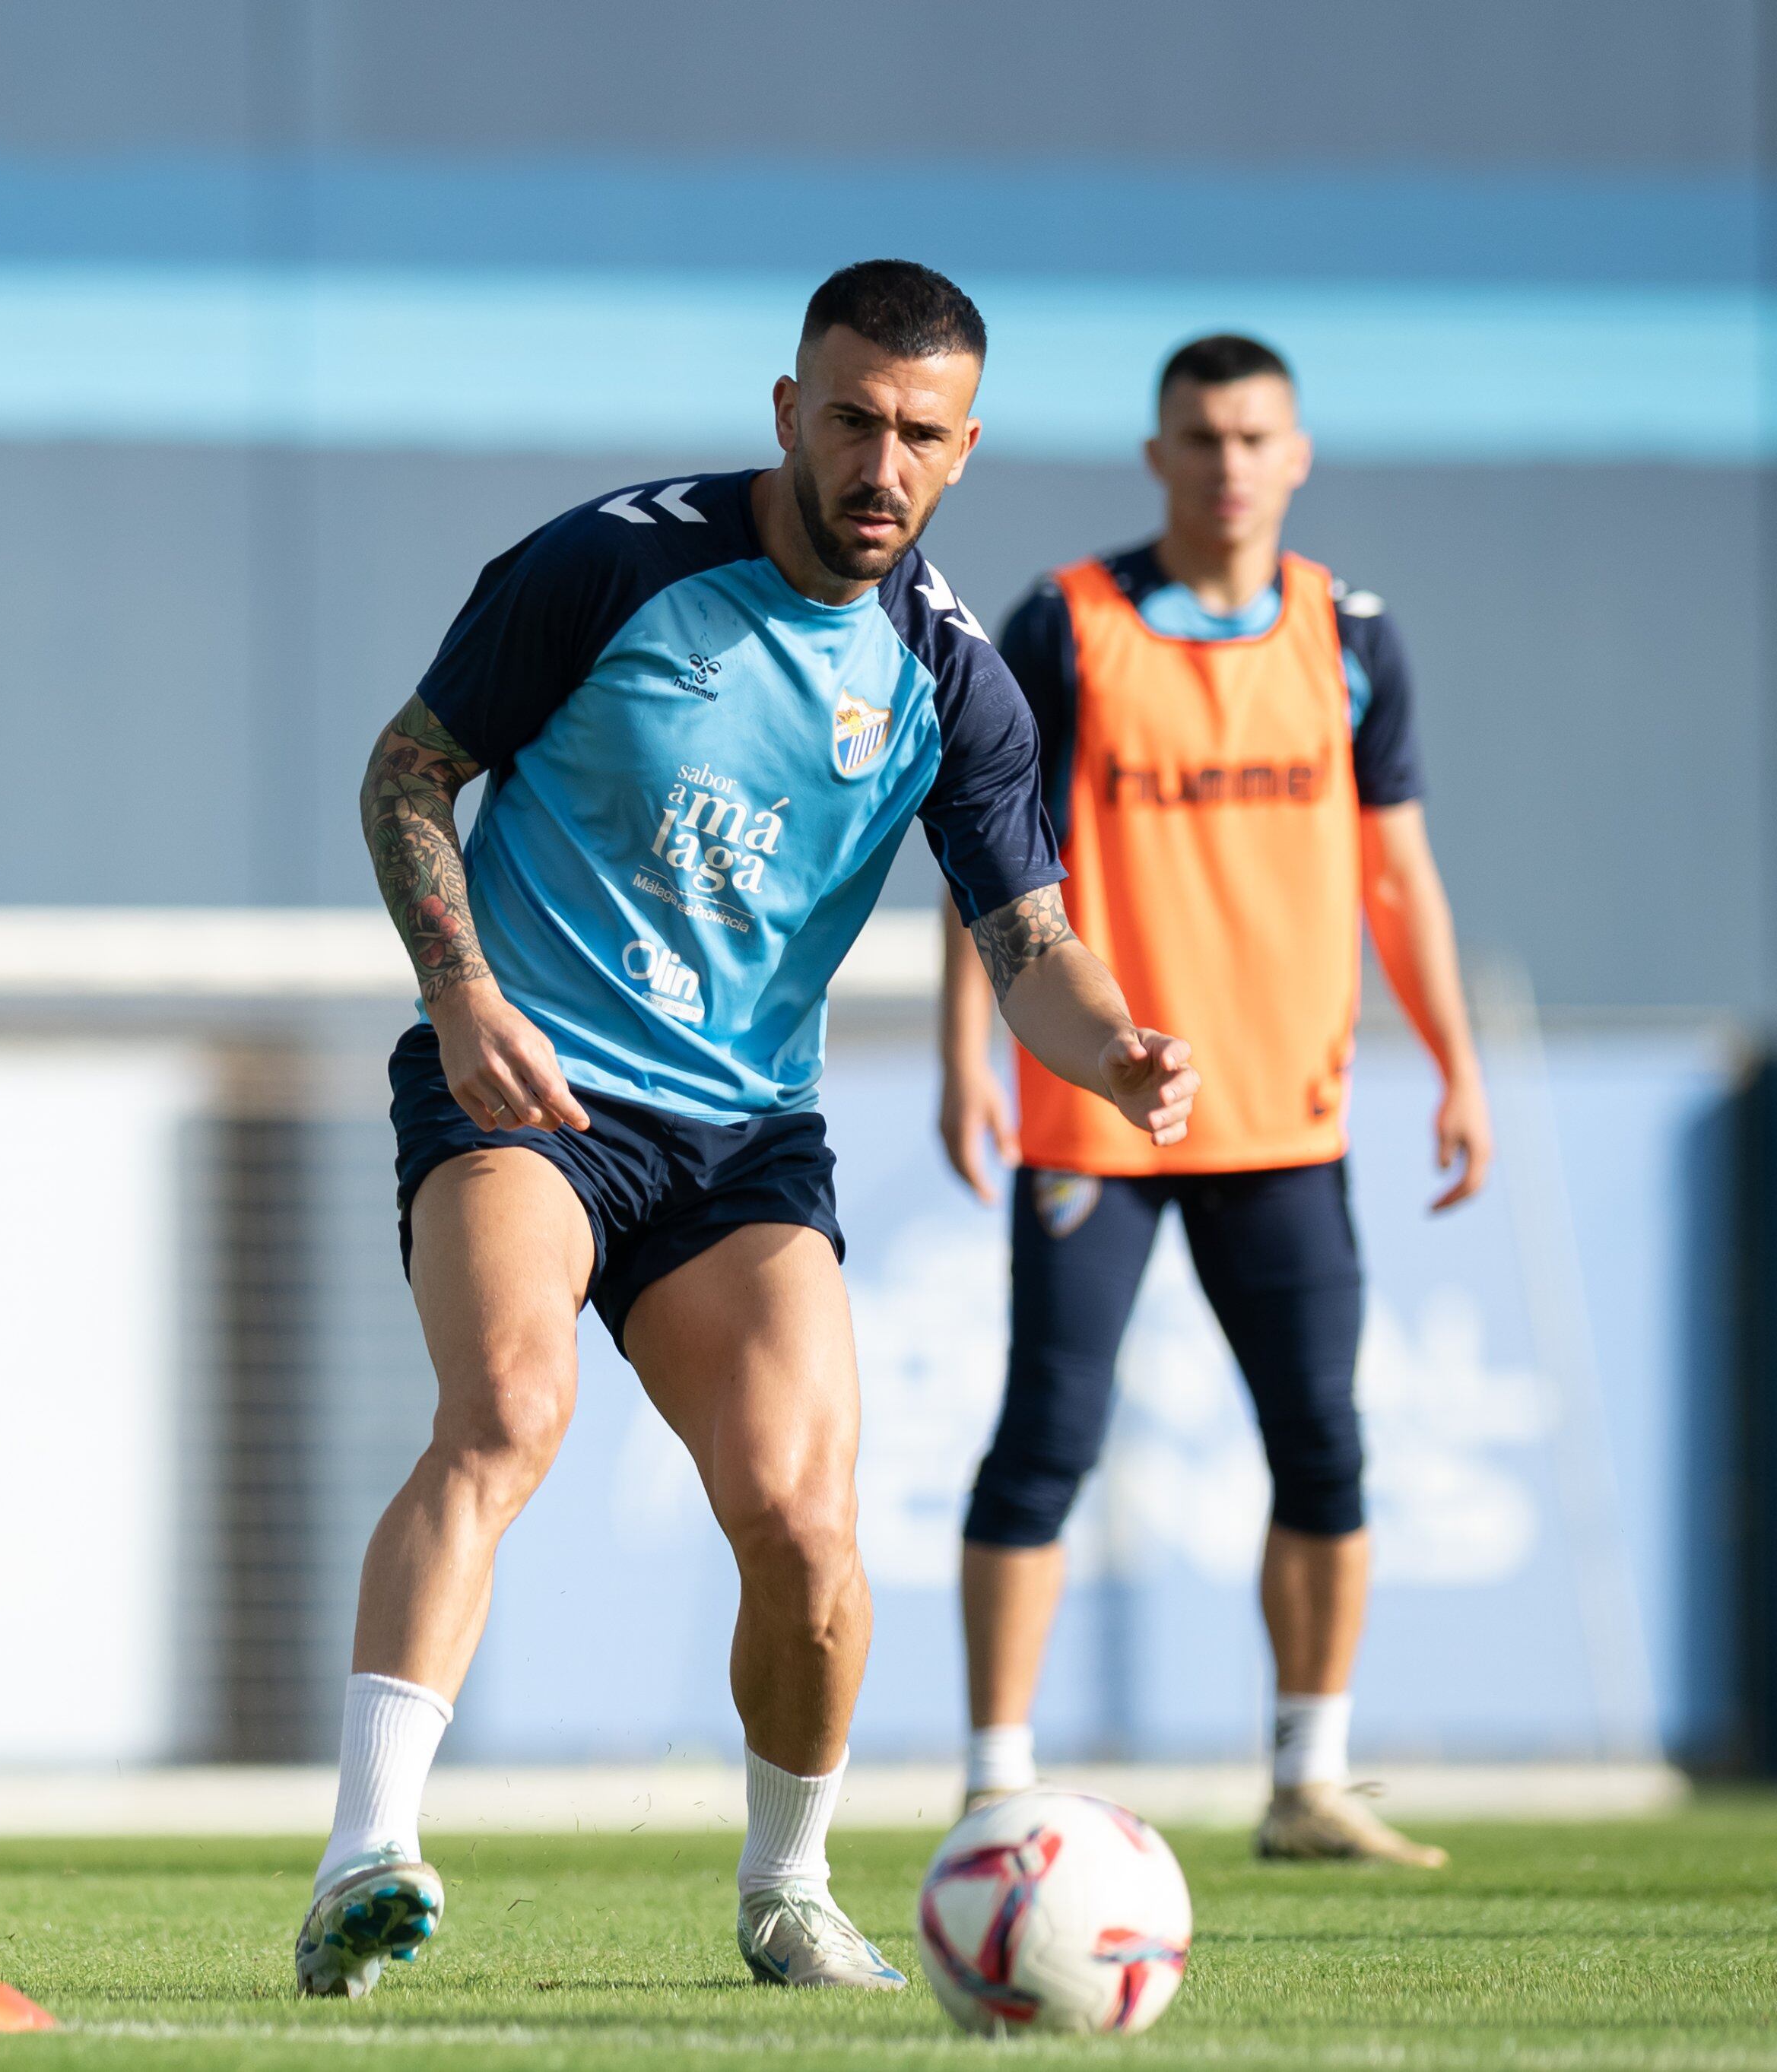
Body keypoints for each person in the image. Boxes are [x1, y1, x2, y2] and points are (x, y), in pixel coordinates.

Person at [301, 260, 1201, 1999]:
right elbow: (406, 771)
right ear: (785, 411)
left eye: (919, 436)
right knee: (504, 1409)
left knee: (804, 1528)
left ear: (963, 450)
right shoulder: (610, 563)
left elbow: (1025, 940)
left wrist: (1113, 1054)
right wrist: (462, 993)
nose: (880, 463)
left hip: (738, 1144)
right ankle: (367, 1855)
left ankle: (786, 1889)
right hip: (526, 1081)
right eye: (850, 419)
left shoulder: (952, 676)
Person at [938, 333, 1488, 1867]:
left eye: (1253, 436)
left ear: (1294, 454)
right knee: (1042, 1436)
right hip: (1093, 1118)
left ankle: (1306, 1779)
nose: (1226, 462)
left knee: (1320, 1441)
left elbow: (1396, 872)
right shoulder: (1067, 624)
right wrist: (962, 1057)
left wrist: (1455, 1067)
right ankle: (994, 1779)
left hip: (1283, 1121)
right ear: (1155, 456)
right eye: (1198, 435)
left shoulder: (1348, 636)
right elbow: (986, 859)